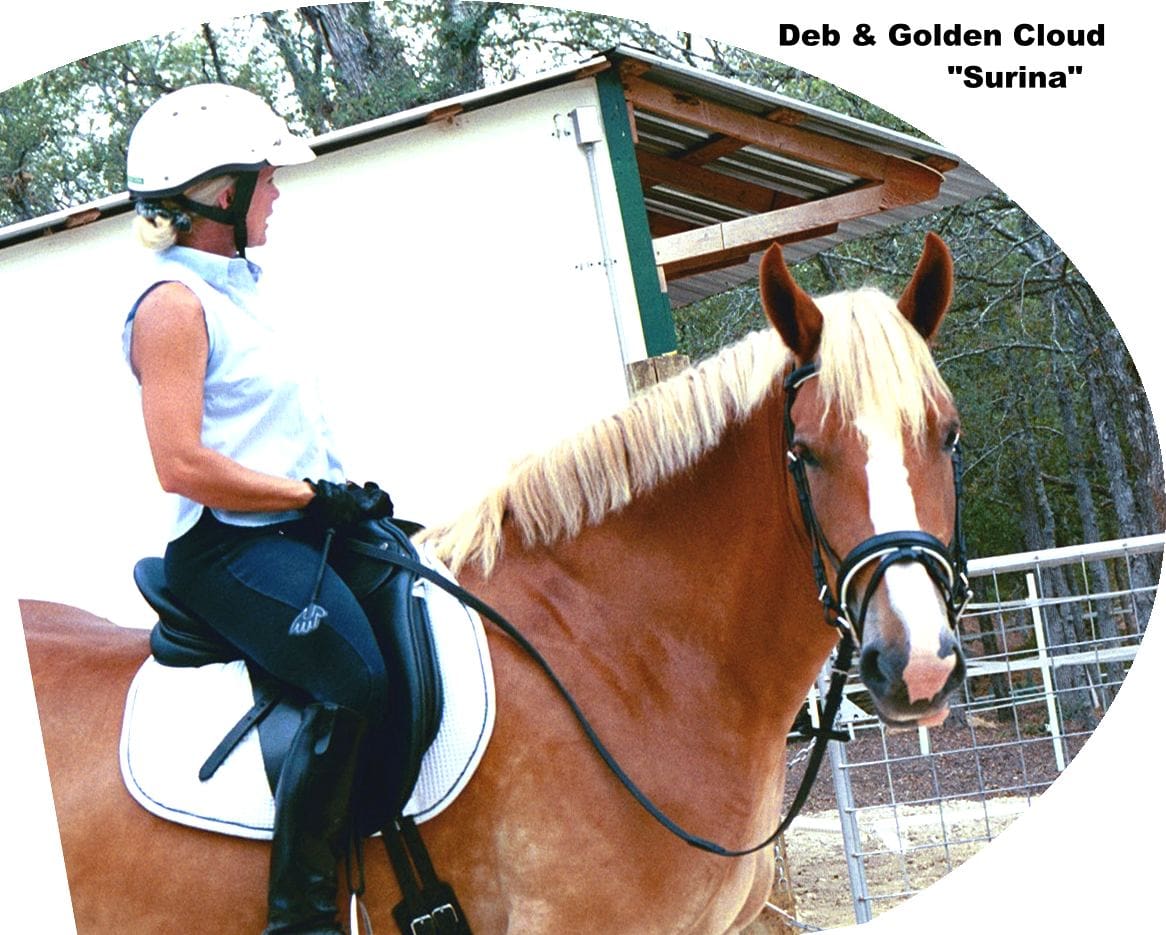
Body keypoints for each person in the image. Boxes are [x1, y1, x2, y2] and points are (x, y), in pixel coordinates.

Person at [123, 83, 393, 934]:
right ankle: (302, 915)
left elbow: (283, 429)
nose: (277, 192)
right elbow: (181, 464)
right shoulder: (173, 306)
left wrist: (343, 497)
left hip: (302, 524)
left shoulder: (253, 288)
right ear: (220, 195)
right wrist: (311, 496)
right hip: (228, 546)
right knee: (352, 679)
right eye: (265, 178)